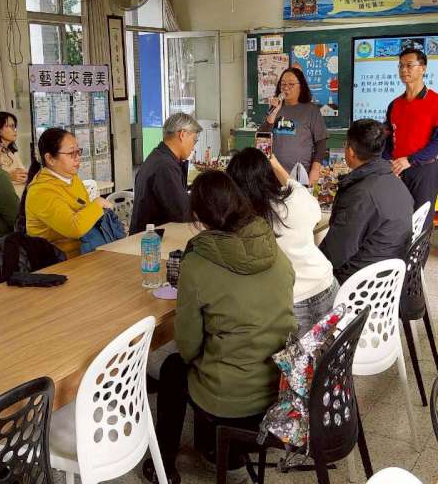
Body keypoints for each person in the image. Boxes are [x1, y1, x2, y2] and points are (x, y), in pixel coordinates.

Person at [143, 170, 296, 484]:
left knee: (174, 367)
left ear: (199, 216)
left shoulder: (197, 264)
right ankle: (210, 445)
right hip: (280, 382)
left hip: (233, 398)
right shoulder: (274, 250)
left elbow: (187, 347)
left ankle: (164, 465)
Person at [227, 147, 336, 336]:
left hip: (292, 304)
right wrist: (275, 163)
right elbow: (297, 188)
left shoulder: (245, 222)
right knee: (321, 355)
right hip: (329, 289)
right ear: (269, 176)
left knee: (294, 361)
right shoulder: (297, 201)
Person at [320, 120, 413, 286]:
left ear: (350, 151)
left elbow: (335, 254)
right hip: (387, 276)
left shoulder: (361, 193)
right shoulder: (394, 181)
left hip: (358, 282)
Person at [383, 48, 438, 231]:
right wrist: (389, 161)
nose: (404, 70)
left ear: (423, 68)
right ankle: (397, 260)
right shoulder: (394, 104)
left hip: (424, 170)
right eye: (401, 66)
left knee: (421, 222)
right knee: (395, 222)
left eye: (410, 65)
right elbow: (388, 139)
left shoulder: (437, 102)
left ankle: (417, 260)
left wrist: (410, 160)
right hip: (397, 171)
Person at [24, 127, 113, 258]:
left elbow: (84, 211)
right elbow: (74, 228)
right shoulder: (41, 191)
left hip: (85, 250)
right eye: (71, 153)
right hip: (58, 260)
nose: (78, 158)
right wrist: (97, 204)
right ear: (50, 159)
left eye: (79, 151)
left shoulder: (71, 178)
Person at [129, 112, 202, 234]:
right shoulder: (165, 166)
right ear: (183, 135)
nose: (193, 147)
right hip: (151, 242)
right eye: (194, 140)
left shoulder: (158, 157)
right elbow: (181, 213)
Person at [258, 67, 327, 185]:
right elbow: (262, 141)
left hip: (300, 175)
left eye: (291, 84)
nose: (285, 88)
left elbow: (321, 144)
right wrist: (273, 114)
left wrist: (315, 170)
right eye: (283, 84)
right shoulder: (275, 109)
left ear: (301, 86)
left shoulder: (311, 110)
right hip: (273, 174)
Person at [0, 111, 27, 185]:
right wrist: (8, 176)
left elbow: (23, 174)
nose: (15, 130)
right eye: (11, 126)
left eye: (15, 126)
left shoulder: (11, 152)